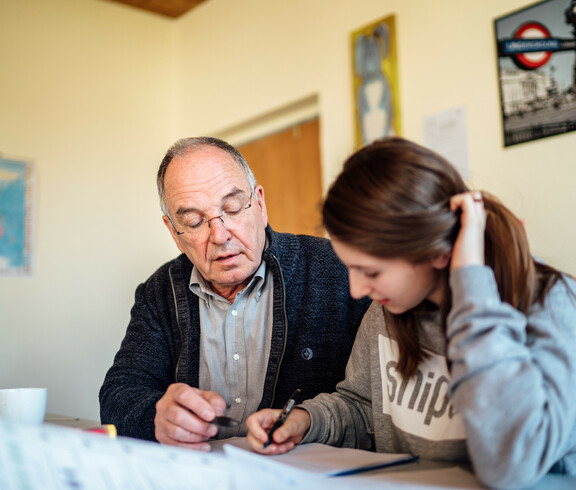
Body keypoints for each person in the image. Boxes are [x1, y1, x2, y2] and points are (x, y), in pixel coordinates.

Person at [245, 137, 576, 488]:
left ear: (437, 252)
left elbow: (511, 465)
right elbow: (361, 406)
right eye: (350, 268)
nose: (357, 290)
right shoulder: (390, 308)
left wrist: (471, 292)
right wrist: (306, 420)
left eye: (371, 272)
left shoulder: (552, 303)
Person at [99, 137, 371, 451]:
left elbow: (370, 405)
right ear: (174, 232)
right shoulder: (159, 292)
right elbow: (118, 394)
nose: (220, 235)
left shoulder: (337, 269)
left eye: (232, 207)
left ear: (260, 204)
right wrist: (155, 418)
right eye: (194, 221)